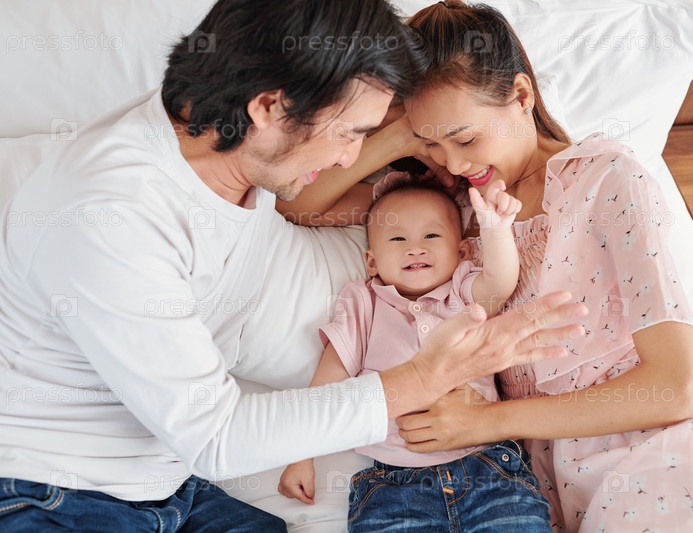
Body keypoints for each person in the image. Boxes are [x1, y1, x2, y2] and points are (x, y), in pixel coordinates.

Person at [0, 0, 587, 531]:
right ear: (269, 108)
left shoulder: (227, 140)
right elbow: (218, 437)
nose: (352, 158)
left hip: (168, 486)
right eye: (351, 134)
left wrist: (406, 140)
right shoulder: (107, 215)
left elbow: (310, 199)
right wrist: (424, 377)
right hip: (52, 494)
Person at [277, 1, 693, 530]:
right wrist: (404, 133)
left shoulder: (606, 179)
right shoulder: (451, 211)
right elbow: (298, 204)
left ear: (520, 96)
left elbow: (678, 387)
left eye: (465, 138)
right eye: (433, 145)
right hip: (544, 486)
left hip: (662, 463)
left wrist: (485, 422)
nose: (454, 162)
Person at [279, 177, 551, 531]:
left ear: (462, 253)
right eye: (398, 239)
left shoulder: (463, 292)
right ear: (372, 262)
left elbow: (500, 283)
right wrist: (300, 454)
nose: (415, 249)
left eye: (431, 236)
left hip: (486, 467)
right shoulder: (364, 302)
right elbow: (329, 381)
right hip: (395, 484)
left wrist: (496, 230)